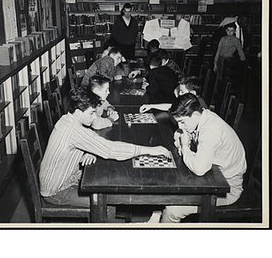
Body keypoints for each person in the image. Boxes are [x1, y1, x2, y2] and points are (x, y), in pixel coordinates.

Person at [39, 86, 171, 214]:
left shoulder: (68, 119)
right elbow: (110, 150)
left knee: (108, 180)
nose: (94, 117)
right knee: (108, 203)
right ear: (79, 112)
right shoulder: (73, 129)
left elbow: (90, 138)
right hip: (56, 191)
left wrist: (89, 150)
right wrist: (149, 150)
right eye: (91, 113)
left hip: (67, 177)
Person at [148, 93, 246, 223]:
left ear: (194, 115)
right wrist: (182, 138)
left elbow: (200, 169)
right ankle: (156, 218)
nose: (180, 126)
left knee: (172, 210)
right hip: (213, 176)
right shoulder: (201, 117)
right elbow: (180, 133)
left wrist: (184, 146)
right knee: (169, 185)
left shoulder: (210, 129)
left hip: (226, 188)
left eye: (182, 122)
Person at [139, 76, 207, 114]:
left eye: (182, 92)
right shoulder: (190, 100)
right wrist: (151, 106)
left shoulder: (199, 105)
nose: (180, 93)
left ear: (193, 93)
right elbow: (171, 106)